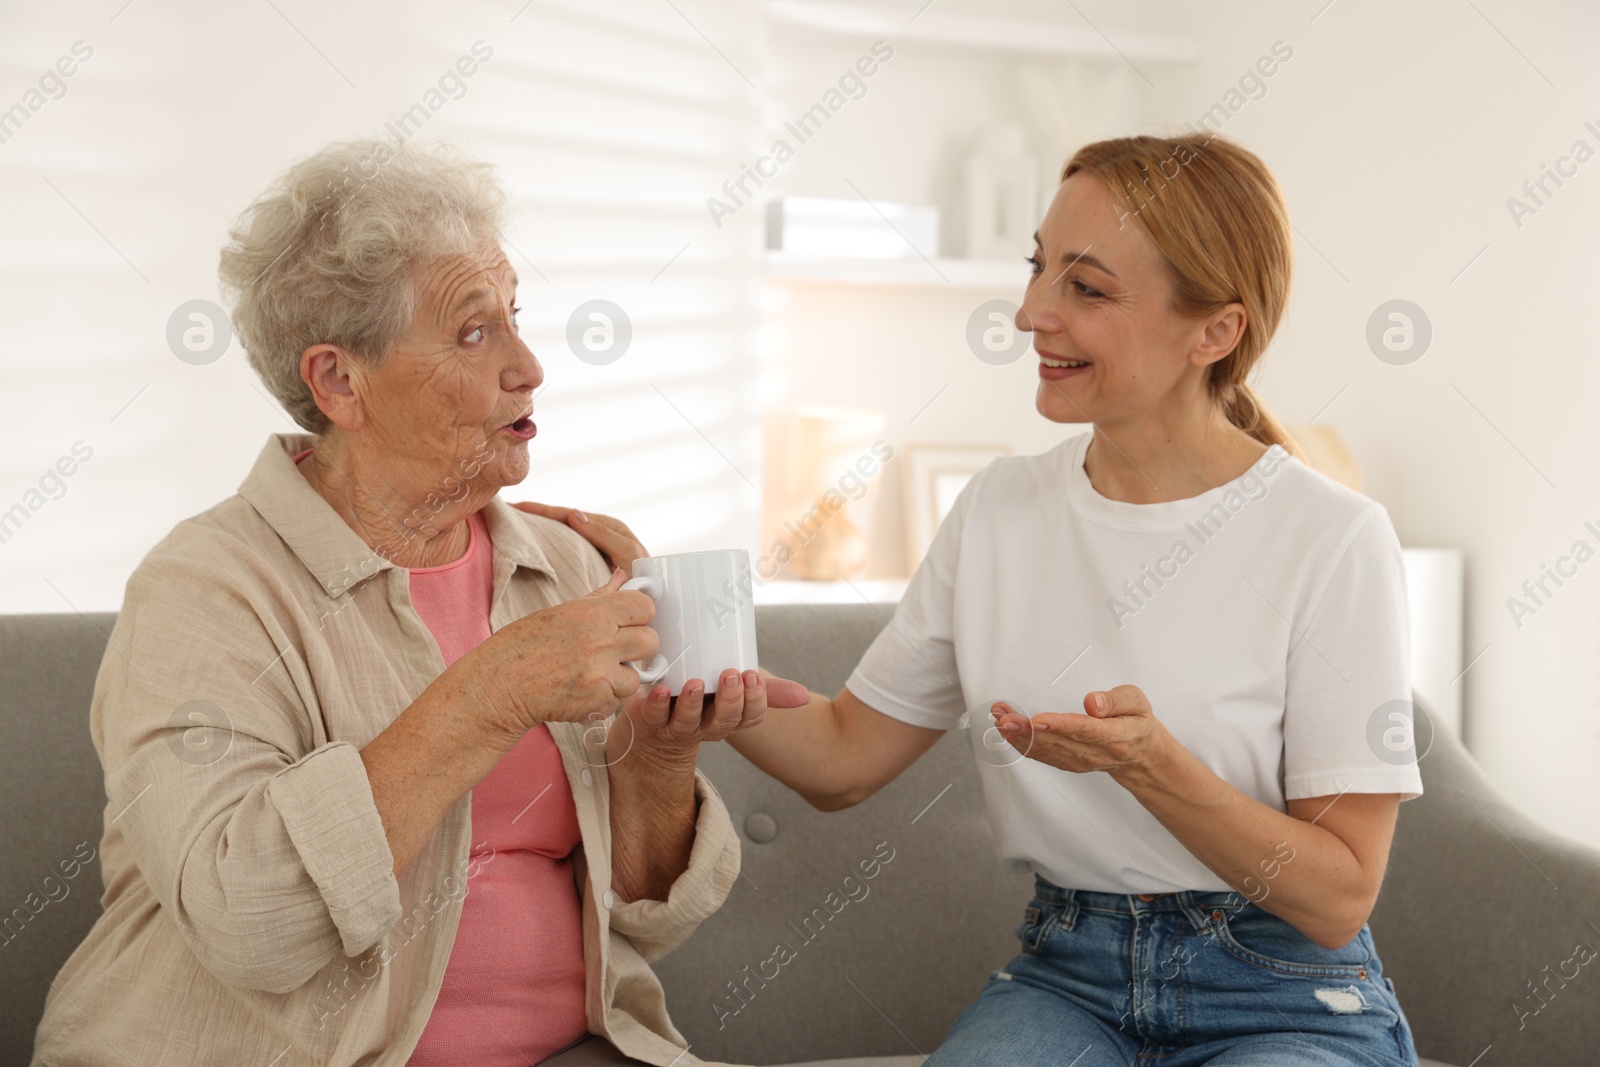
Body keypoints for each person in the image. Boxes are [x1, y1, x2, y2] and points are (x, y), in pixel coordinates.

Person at [32, 139, 797, 1067]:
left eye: (516, 316)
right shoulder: (205, 590)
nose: (530, 366)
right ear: (338, 381)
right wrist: (491, 693)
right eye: (476, 332)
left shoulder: (562, 565)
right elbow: (251, 922)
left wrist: (657, 751)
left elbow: (644, 910)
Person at [695, 134, 1424, 1066]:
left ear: (1216, 331)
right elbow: (843, 756)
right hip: (1069, 976)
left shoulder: (1331, 538)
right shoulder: (1001, 509)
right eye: (1039, 268)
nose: (1031, 311)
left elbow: (1339, 894)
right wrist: (682, 659)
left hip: (1283, 989)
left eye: (1086, 288)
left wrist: (1152, 764)